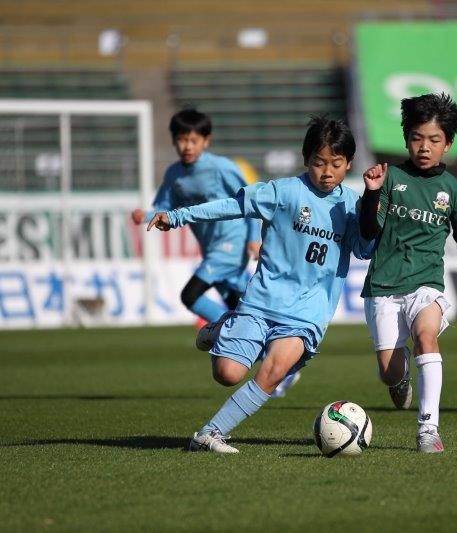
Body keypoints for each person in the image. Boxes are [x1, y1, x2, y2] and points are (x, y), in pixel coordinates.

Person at [147, 116, 374, 454]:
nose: (327, 172)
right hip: (264, 300)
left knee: (275, 370)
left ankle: (209, 434)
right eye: (319, 162)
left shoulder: (351, 204)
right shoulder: (283, 192)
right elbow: (232, 206)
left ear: (349, 163)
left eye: (336, 164)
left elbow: (364, 249)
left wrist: (372, 203)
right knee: (227, 373)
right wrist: (179, 216)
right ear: (306, 159)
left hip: (308, 311)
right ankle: (224, 326)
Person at [360, 93, 457, 453]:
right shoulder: (390, 178)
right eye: (417, 138)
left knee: (427, 336)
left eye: (434, 139)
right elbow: (368, 231)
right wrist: (372, 193)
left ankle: (429, 429)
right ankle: (400, 377)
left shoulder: (454, 191)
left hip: (426, 285)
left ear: (448, 143)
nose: (424, 147)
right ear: (406, 139)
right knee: (389, 373)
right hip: (383, 285)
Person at [131, 108, 260, 323]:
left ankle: (228, 331)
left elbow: (251, 202)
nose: (188, 146)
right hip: (210, 248)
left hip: (232, 244)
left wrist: (254, 239)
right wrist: (145, 216)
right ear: (174, 141)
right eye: (182, 140)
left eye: (193, 140)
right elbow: (164, 210)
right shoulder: (174, 175)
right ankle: (258, 334)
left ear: (206, 141)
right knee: (237, 303)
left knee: (190, 295)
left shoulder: (222, 168)